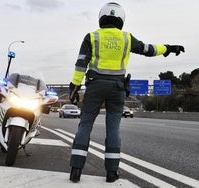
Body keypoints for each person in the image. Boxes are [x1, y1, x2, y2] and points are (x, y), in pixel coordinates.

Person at [69, 2, 184, 183]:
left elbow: (81, 62)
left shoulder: (92, 36)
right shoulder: (127, 38)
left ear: (101, 18)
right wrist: (168, 48)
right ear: (121, 19)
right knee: (113, 128)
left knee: (85, 125)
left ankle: (76, 169)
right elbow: (148, 49)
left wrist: (74, 86)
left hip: (95, 86)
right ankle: (112, 172)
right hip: (117, 88)